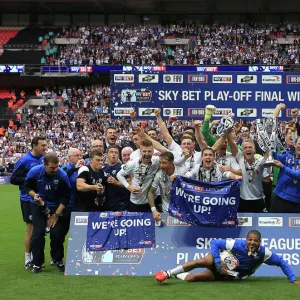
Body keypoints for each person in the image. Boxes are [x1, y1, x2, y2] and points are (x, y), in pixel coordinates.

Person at [154, 230, 300, 285]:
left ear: (259, 242)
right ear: (246, 239)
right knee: (203, 261)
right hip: (221, 261)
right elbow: (215, 243)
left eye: (255, 241)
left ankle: (176, 275)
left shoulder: (264, 254)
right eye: (250, 239)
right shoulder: (236, 244)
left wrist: (292, 279)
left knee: (193, 279)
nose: (252, 242)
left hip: (230, 274)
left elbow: (281, 262)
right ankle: (168, 273)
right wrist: (218, 262)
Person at [24, 153, 71, 273]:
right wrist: (35, 196)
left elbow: (65, 197)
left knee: (57, 233)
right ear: (44, 165)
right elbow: (27, 187)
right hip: (38, 204)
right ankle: (37, 263)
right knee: (38, 233)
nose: (55, 170)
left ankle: (57, 259)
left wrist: (55, 215)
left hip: (56, 206)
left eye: (57, 167)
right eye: (52, 168)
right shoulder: (35, 172)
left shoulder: (62, 175)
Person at [10, 136, 47, 269]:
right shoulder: (24, 160)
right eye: (42, 145)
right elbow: (13, 179)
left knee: (40, 230)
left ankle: (36, 257)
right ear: (34, 146)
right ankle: (28, 259)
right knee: (31, 230)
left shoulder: (44, 159)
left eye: (45, 145)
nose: (45, 147)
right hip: (28, 199)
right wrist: (30, 177)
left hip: (41, 199)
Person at [117, 140, 160, 212]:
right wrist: (129, 187)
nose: (147, 154)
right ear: (140, 152)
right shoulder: (133, 163)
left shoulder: (156, 161)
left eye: (149, 151)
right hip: (134, 202)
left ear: (153, 152)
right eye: (144, 151)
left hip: (150, 202)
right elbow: (119, 175)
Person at [148, 151, 187, 220]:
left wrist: (179, 180)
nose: (161, 166)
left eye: (164, 163)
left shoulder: (182, 172)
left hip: (182, 210)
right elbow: (151, 192)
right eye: (160, 162)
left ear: (171, 162)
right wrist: (154, 210)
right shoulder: (159, 175)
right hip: (166, 211)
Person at [271, 136, 300, 212]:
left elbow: (297, 175)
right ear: (295, 144)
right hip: (280, 198)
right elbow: (275, 157)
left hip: (296, 202)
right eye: (299, 144)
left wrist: (282, 167)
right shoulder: (287, 156)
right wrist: (271, 145)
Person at [102, 145, 130, 211]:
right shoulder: (103, 170)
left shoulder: (123, 168)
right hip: (107, 205)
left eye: (116, 153)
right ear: (106, 155)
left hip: (122, 205)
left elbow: (131, 183)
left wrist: (117, 183)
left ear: (118, 155)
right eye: (111, 152)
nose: (113, 154)